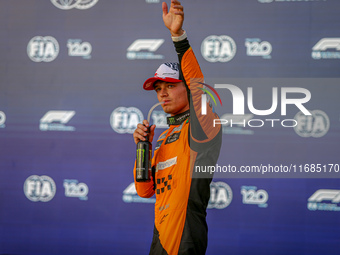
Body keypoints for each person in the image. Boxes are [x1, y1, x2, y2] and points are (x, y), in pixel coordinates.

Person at [133, 1, 222, 254]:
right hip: (159, 237)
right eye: (159, 89)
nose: (163, 94)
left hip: (186, 237)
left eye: (170, 86)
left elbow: (196, 84)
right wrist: (143, 147)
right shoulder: (164, 136)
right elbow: (144, 190)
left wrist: (178, 36)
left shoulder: (203, 125)